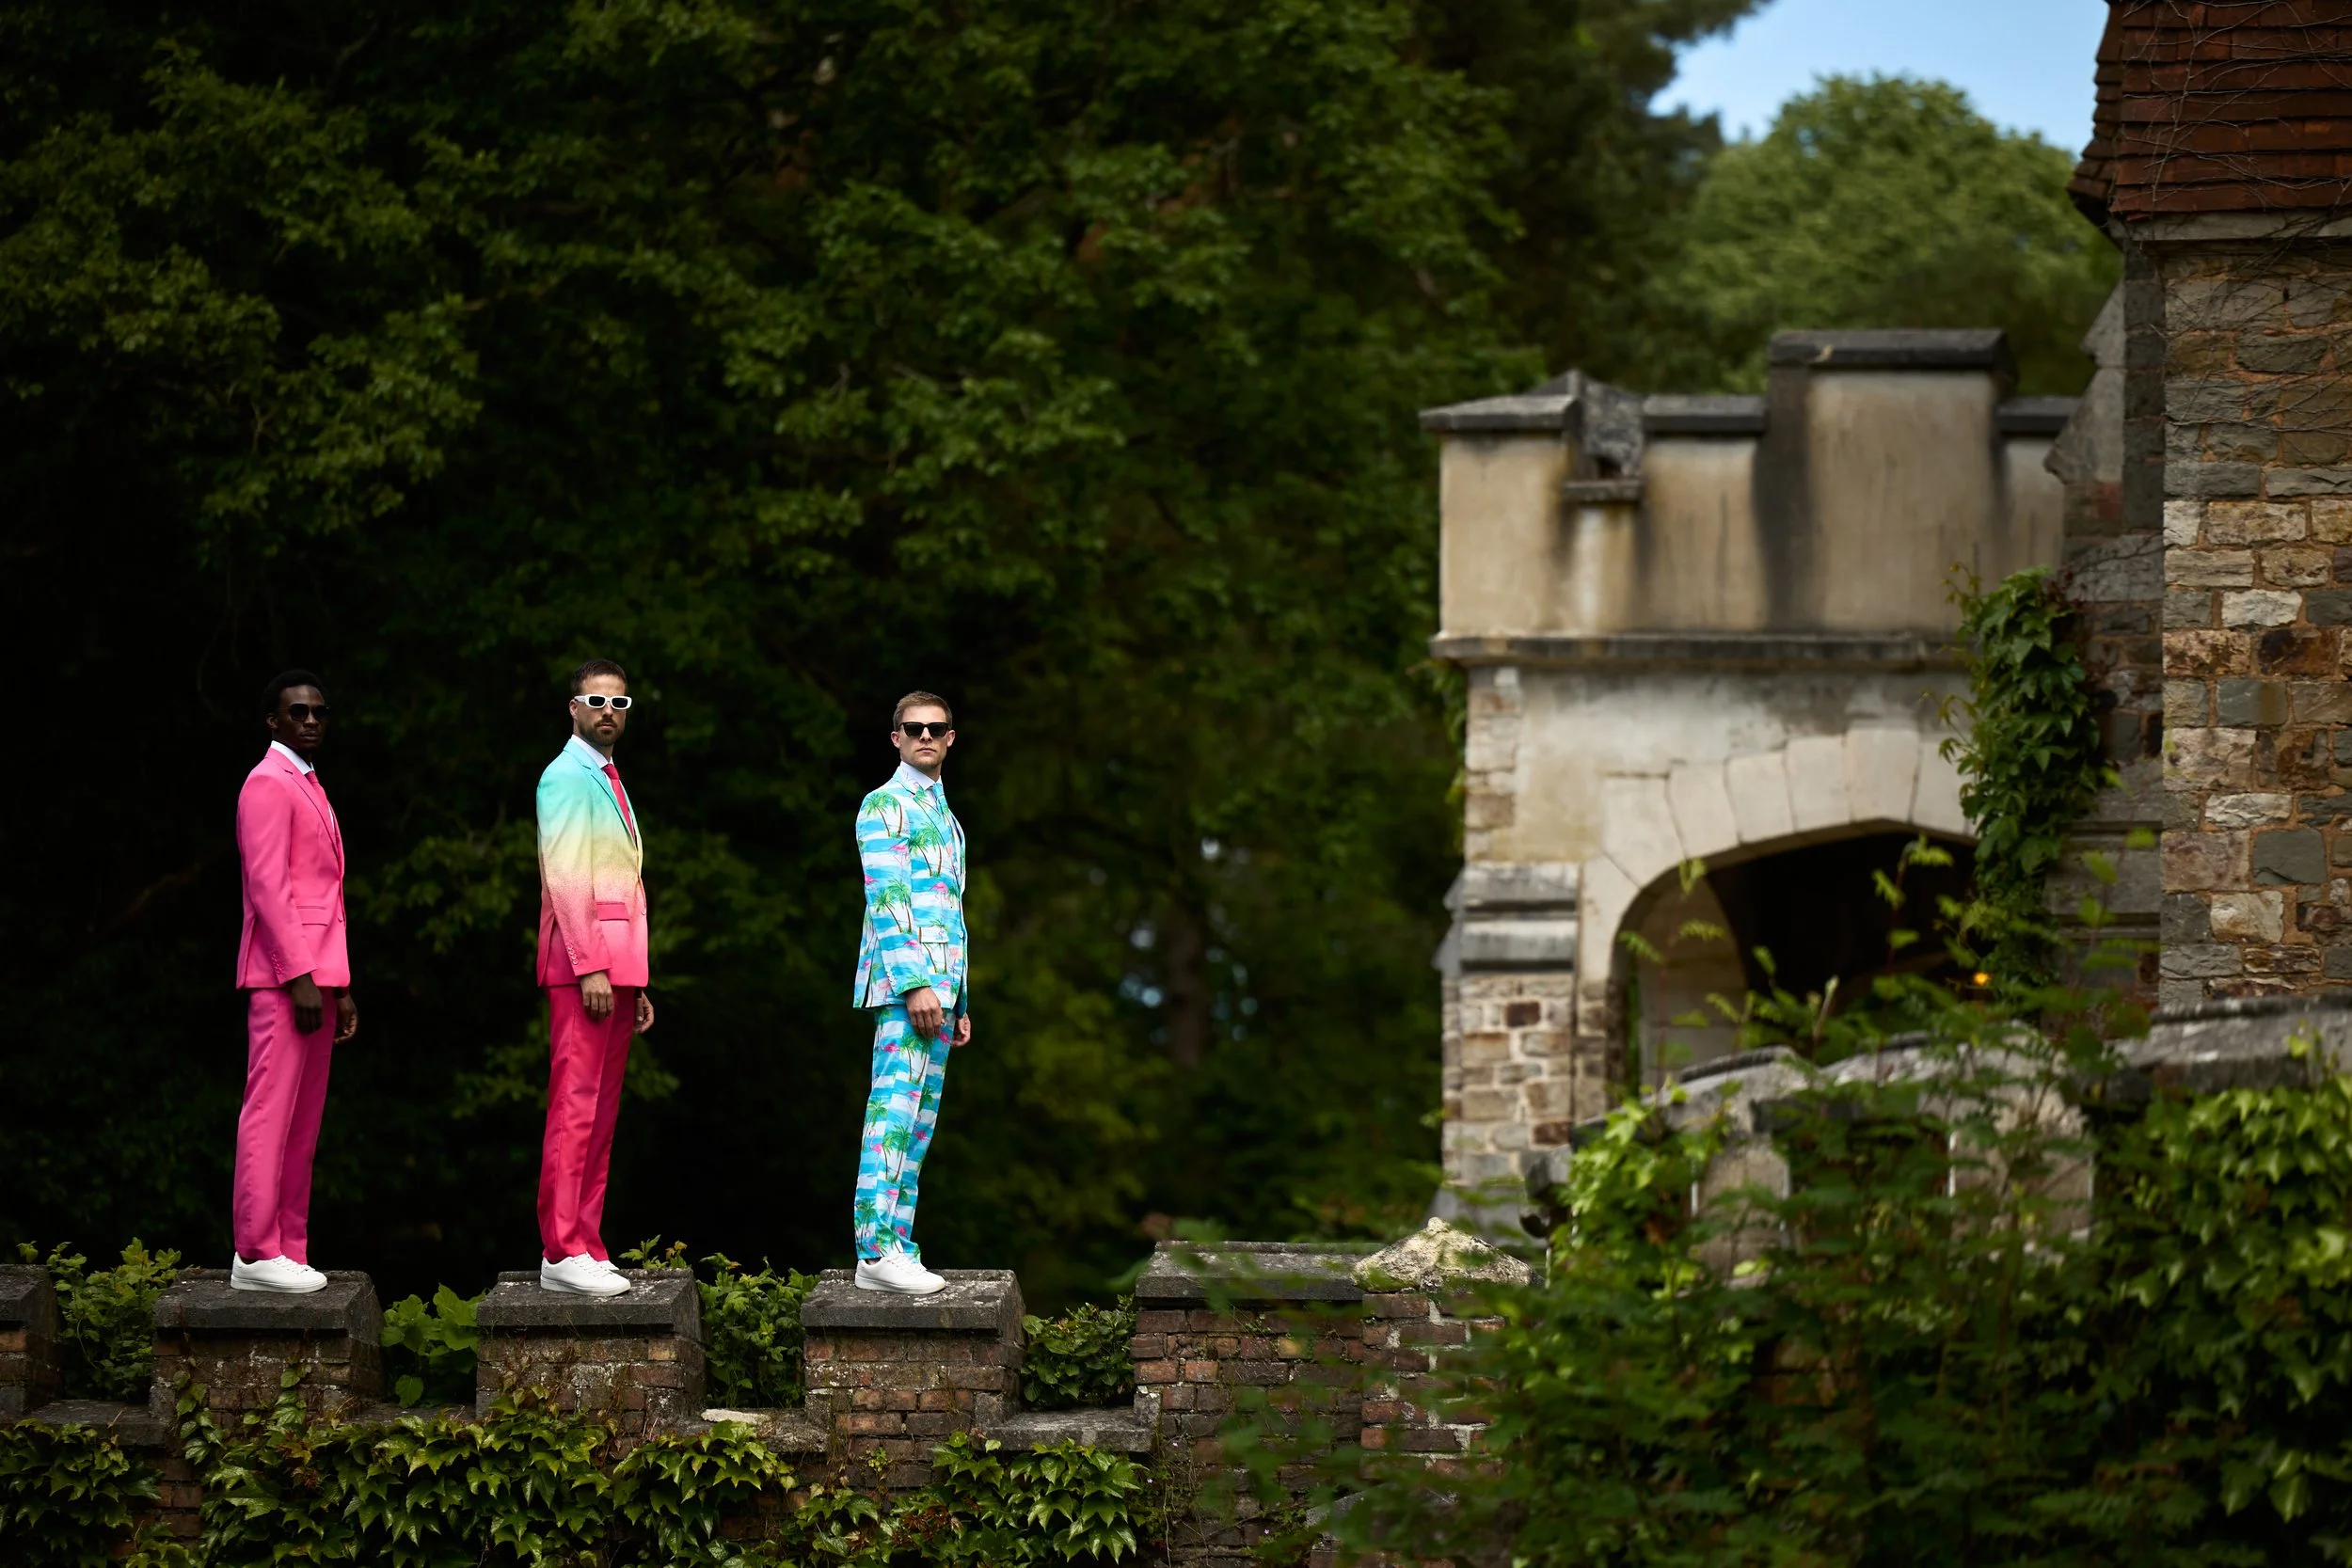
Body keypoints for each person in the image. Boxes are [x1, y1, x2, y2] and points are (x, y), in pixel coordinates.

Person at [230, 670, 358, 1293]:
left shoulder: (308, 782)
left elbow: (323, 895)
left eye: (319, 712)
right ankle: (256, 1250)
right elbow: (268, 887)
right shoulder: (266, 782)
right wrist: (301, 976)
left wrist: (338, 984)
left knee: (302, 1123)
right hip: (285, 978)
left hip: (318, 976)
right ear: (272, 721)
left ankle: (289, 1247)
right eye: (297, 712)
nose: (310, 721)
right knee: (270, 1112)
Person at [532, 658, 655, 1297]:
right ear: (574, 709)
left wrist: (634, 976)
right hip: (585, 966)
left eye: (620, 703)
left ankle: (586, 1241)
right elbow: (567, 877)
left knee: (601, 1114)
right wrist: (592, 967)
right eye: (598, 701)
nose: (610, 711)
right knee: (574, 1107)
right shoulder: (564, 775)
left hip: (615, 969)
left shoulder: (608, 776)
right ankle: (560, 1249)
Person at [850, 691, 971, 1294]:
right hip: (908, 988)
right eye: (914, 727)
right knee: (892, 1115)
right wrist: (918, 984)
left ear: (950, 738)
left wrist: (959, 999)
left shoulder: (946, 815)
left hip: (941, 992)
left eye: (936, 727)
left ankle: (897, 1245)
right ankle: (874, 1250)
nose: (926, 735)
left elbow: (951, 909)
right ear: (895, 737)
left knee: (917, 1127)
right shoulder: (885, 804)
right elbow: (888, 900)